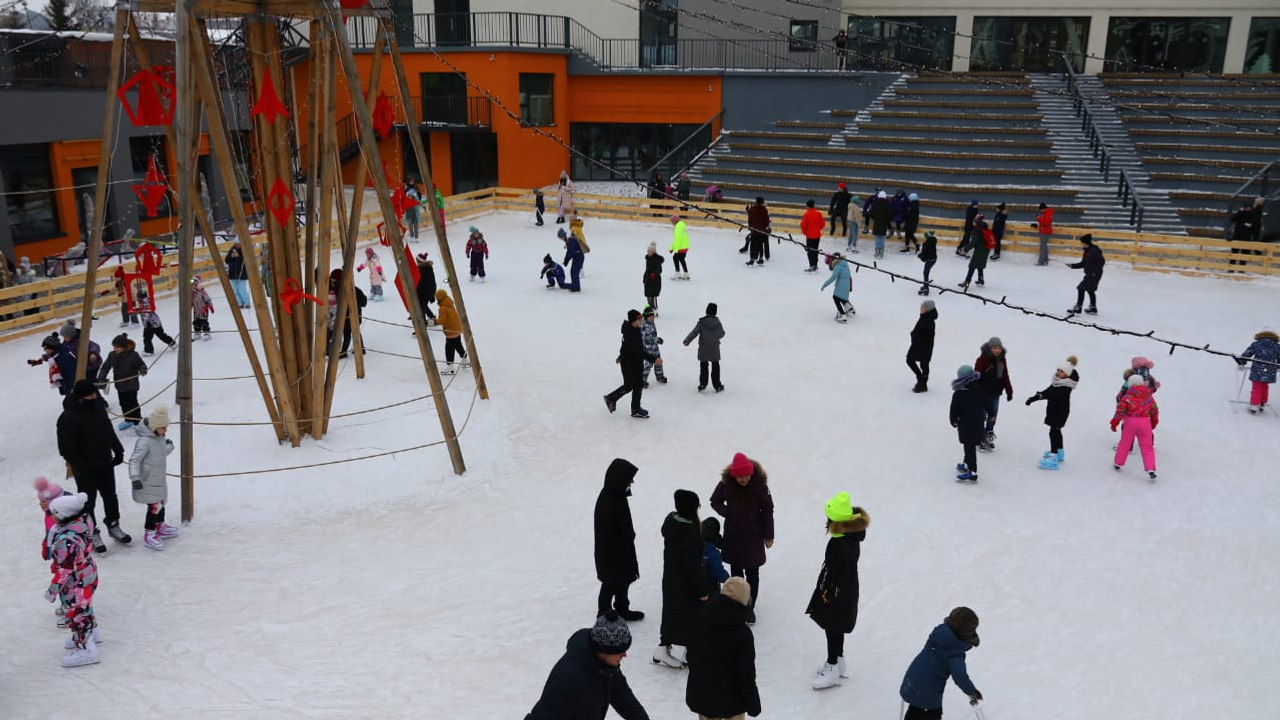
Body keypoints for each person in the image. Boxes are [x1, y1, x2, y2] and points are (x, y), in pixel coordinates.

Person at [523, 611, 649, 720]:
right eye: (620, 651)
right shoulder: (568, 680)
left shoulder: (607, 668)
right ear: (605, 648)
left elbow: (623, 698)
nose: (625, 655)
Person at [57, 379, 128, 552]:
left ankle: (113, 524)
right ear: (81, 397)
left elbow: (108, 430)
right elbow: (66, 449)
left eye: (95, 394)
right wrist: (80, 467)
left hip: (104, 461)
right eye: (91, 395)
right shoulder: (68, 417)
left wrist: (118, 450)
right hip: (85, 467)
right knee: (88, 502)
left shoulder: (98, 408)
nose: (95, 397)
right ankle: (91, 531)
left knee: (110, 496)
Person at [807, 492, 869, 690]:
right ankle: (837, 660)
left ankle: (833, 667)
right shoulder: (850, 535)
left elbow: (836, 570)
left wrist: (826, 590)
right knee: (835, 626)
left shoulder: (840, 544)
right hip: (844, 589)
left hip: (837, 592)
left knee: (832, 626)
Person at [710, 452, 774, 625]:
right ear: (734, 475)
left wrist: (768, 535)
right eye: (740, 476)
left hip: (754, 536)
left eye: (746, 475)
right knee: (736, 571)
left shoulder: (760, 486)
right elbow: (715, 501)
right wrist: (728, 513)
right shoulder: (726, 485)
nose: (744, 479)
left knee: (753, 573)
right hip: (734, 536)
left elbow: (768, 510)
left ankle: (749, 607)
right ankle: (738, 603)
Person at [685, 576, 761, 719]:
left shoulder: (702, 620)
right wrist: (753, 704)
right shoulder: (743, 634)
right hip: (733, 701)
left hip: (703, 696)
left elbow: (691, 655)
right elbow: (746, 674)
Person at [654, 489, 711, 669]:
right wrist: (702, 590)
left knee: (673, 615)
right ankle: (691, 653)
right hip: (686, 585)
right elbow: (692, 567)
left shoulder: (672, 524)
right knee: (694, 616)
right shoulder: (690, 534)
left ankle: (663, 648)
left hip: (672, 580)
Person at [45, 493, 101, 668]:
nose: (50, 516)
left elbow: (65, 570)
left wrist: (53, 590)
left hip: (76, 581)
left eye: (53, 513)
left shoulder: (67, 541)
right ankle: (93, 633)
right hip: (88, 572)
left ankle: (86, 649)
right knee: (84, 606)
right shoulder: (83, 522)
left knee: (77, 614)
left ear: (63, 516)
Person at [899, 607, 984, 719]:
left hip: (912, 679)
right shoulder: (955, 651)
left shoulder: (939, 633)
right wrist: (972, 691)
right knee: (932, 713)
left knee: (917, 705)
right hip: (929, 689)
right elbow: (960, 677)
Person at [594, 458, 644, 621]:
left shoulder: (617, 495)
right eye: (630, 478)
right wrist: (627, 537)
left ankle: (622, 608)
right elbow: (610, 530)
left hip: (621, 549)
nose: (632, 481)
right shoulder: (609, 500)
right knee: (610, 582)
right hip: (612, 552)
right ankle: (603, 614)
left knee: (623, 579)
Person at [129, 405, 176, 551]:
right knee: (154, 506)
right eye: (163, 428)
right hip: (147, 480)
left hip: (158, 478)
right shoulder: (144, 441)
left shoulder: (159, 438)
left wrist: (169, 447)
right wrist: (135, 477)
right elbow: (135, 460)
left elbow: (159, 454)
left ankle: (159, 525)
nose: (165, 430)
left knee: (161, 502)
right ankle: (149, 532)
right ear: (155, 427)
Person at [604, 309, 660, 419]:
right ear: (633, 321)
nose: (641, 321)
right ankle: (611, 398)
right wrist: (654, 359)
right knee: (629, 385)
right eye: (639, 319)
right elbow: (639, 351)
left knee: (638, 385)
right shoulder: (630, 333)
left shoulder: (634, 329)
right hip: (629, 364)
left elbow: (625, 347)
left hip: (635, 362)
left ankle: (635, 409)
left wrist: (620, 356)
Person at [1026, 356, 1079, 469]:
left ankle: (1053, 457)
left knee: (1053, 432)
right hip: (1054, 411)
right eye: (1058, 370)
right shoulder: (1057, 382)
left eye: (1061, 371)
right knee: (1056, 431)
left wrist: (1040, 396)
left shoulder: (1066, 386)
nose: (1058, 372)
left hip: (1060, 413)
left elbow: (1053, 394)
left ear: (1067, 374)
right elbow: (1049, 391)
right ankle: (1059, 453)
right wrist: (1035, 397)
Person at [1111, 374, 1159, 481]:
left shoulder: (1127, 397)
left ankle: (1118, 463)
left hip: (1130, 422)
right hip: (1145, 423)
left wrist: (1114, 423)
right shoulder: (1149, 397)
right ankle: (1150, 469)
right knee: (1147, 446)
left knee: (1125, 444)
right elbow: (1154, 410)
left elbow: (1120, 411)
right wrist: (1154, 422)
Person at [97, 333, 148, 430]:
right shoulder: (112, 355)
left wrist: (142, 369)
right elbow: (105, 367)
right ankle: (128, 419)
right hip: (120, 385)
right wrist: (101, 379)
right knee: (123, 403)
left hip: (131, 384)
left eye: (117, 347)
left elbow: (141, 364)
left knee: (132, 403)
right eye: (114, 346)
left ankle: (137, 421)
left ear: (123, 347)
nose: (114, 349)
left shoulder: (133, 355)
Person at [973, 337, 1012, 451]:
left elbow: (1005, 376)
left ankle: (988, 433)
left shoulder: (1002, 360)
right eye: (995, 348)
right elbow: (976, 377)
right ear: (990, 348)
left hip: (995, 394)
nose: (997, 350)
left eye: (999, 348)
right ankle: (979, 437)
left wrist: (1009, 390)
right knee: (981, 415)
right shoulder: (982, 360)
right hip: (983, 394)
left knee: (992, 415)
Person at [950, 365, 985, 484]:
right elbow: (987, 402)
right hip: (978, 422)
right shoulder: (979, 389)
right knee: (969, 445)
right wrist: (991, 414)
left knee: (969, 446)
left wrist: (953, 420)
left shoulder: (959, 393)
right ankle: (966, 465)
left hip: (966, 424)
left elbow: (954, 409)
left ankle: (972, 471)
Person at [683, 302, 725, 392]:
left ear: (707, 311)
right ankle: (717, 385)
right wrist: (714, 336)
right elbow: (722, 333)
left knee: (703, 367)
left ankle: (703, 384)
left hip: (703, 348)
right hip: (714, 349)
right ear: (715, 312)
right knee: (715, 367)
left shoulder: (702, 322)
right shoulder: (717, 322)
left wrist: (687, 340)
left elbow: (694, 332)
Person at [1237, 328, 1280, 413]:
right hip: (1270, 370)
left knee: (1256, 387)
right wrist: (1278, 367)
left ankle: (1254, 405)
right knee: (1265, 386)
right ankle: (1262, 403)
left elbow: (1247, 354)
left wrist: (1242, 362)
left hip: (1257, 368)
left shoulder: (1256, 344)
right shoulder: (1277, 347)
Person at [1066, 233, 1104, 314]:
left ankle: (1078, 307)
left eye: (1082, 243)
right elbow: (1083, 263)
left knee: (1081, 288)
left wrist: (1094, 272)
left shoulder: (1093, 251)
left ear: (1086, 243)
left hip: (1094, 274)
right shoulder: (1087, 251)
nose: (1081, 244)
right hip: (1090, 274)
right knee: (1090, 290)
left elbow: (1101, 262)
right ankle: (1093, 307)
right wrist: (1072, 266)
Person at [907, 299, 937, 393]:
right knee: (921, 363)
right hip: (920, 345)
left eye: (922, 307)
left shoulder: (928, 321)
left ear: (927, 309)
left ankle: (921, 382)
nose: (920, 308)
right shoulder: (925, 317)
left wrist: (915, 336)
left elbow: (928, 336)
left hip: (923, 346)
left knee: (915, 361)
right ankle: (922, 382)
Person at [435, 289, 467, 374]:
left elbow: (442, 320)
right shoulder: (450, 303)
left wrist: (433, 321)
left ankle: (450, 366)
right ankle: (465, 360)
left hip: (451, 331)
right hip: (457, 329)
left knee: (449, 349)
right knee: (458, 345)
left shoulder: (442, 308)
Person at [958, 214, 993, 289]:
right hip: (986, 249)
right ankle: (981, 280)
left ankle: (967, 283)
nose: (972, 222)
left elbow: (973, 243)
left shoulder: (976, 231)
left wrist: (965, 250)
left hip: (979, 251)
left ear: (976, 223)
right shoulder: (984, 229)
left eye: (974, 221)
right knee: (980, 265)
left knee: (972, 266)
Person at [821, 252, 854, 323]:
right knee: (841, 297)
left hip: (842, 284)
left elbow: (833, 278)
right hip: (847, 283)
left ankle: (842, 315)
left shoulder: (838, 266)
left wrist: (824, 285)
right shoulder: (844, 263)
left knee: (835, 298)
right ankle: (848, 307)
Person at [640, 307, 666, 387]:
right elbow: (647, 338)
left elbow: (653, 334)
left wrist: (656, 340)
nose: (652, 318)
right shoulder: (643, 325)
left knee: (658, 361)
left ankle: (660, 376)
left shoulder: (651, 322)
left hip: (654, 347)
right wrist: (657, 340)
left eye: (653, 316)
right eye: (650, 317)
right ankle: (642, 380)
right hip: (648, 348)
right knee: (649, 363)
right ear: (646, 317)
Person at [700, 517, 730, 588]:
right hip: (707, 589)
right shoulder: (713, 554)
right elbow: (718, 572)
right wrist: (729, 579)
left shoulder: (691, 544)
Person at [743, 197, 770, 265]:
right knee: (760, 244)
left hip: (754, 230)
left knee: (753, 245)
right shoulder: (764, 210)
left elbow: (750, 218)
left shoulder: (752, 209)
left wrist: (750, 227)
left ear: (756, 201)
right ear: (762, 202)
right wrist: (764, 227)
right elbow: (767, 221)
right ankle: (760, 259)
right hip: (762, 231)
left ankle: (752, 260)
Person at [801, 199, 825, 272]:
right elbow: (823, 224)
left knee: (810, 251)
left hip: (810, 236)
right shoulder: (819, 214)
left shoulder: (806, 214)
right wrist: (817, 229)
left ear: (807, 206)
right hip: (817, 235)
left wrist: (805, 232)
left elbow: (803, 225)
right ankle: (815, 265)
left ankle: (812, 265)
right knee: (815, 250)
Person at [225, 243, 251, 308]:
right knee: (236, 290)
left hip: (242, 274)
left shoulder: (244, 251)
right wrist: (231, 256)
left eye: (238, 244)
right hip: (233, 274)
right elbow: (227, 261)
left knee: (242, 290)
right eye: (236, 244)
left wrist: (238, 257)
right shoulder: (231, 250)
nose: (237, 245)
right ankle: (240, 303)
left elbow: (245, 261)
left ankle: (247, 302)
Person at [415, 252, 438, 323]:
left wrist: (417, 293)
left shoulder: (423, 270)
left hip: (426, 291)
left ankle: (423, 322)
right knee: (422, 304)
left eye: (417, 260)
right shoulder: (426, 268)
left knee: (421, 305)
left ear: (419, 261)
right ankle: (431, 316)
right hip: (430, 290)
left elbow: (422, 284)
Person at [560, 227, 585, 292]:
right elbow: (569, 252)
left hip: (579, 258)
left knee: (574, 272)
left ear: (563, 236)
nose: (561, 240)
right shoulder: (569, 240)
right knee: (573, 272)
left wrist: (567, 260)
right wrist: (566, 259)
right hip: (577, 257)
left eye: (561, 238)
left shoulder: (571, 240)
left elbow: (571, 251)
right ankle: (575, 286)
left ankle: (576, 287)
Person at [869, 190, 891, 259]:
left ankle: (877, 251)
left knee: (877, 238)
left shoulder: (875, 204)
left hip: (877, 223)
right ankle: (881, 252)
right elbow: (889, 215)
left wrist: (876, 219)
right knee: (882, 238)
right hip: (884, 224)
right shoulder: (887, 205)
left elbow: (872, 214)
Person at [190, 275, 213, 341]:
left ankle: (207, 333)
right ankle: (197, 332)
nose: (194, 286)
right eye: (192, 285)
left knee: (204, 322)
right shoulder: (192, 293)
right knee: (196, 322)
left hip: (203, 309)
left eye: (195, 285)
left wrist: (210, 305)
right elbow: (191, 302)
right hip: (196, 310)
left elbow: (208, 298)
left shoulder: (202, 292)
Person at [643, 242, 663, 314]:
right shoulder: (648, 259)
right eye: (648, 251)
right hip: (648, 280)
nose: (648, 252)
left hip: (655, 281)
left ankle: (655, 309)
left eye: (650, 251)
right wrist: (644, 277)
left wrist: (654, 273)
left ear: (653, 252)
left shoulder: (657, 260)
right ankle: (649, 309)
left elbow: (659, 270)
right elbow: (647, 270)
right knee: (648, 295)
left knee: (653, 296)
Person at [917, 230, 937, 295]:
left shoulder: (926, 244)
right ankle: (925, 285)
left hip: (929, 260)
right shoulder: (933, 241)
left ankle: (926, 288)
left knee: (925, 273)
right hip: (934, 259)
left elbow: (924, 253)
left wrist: (920, 256)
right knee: (926, 272)